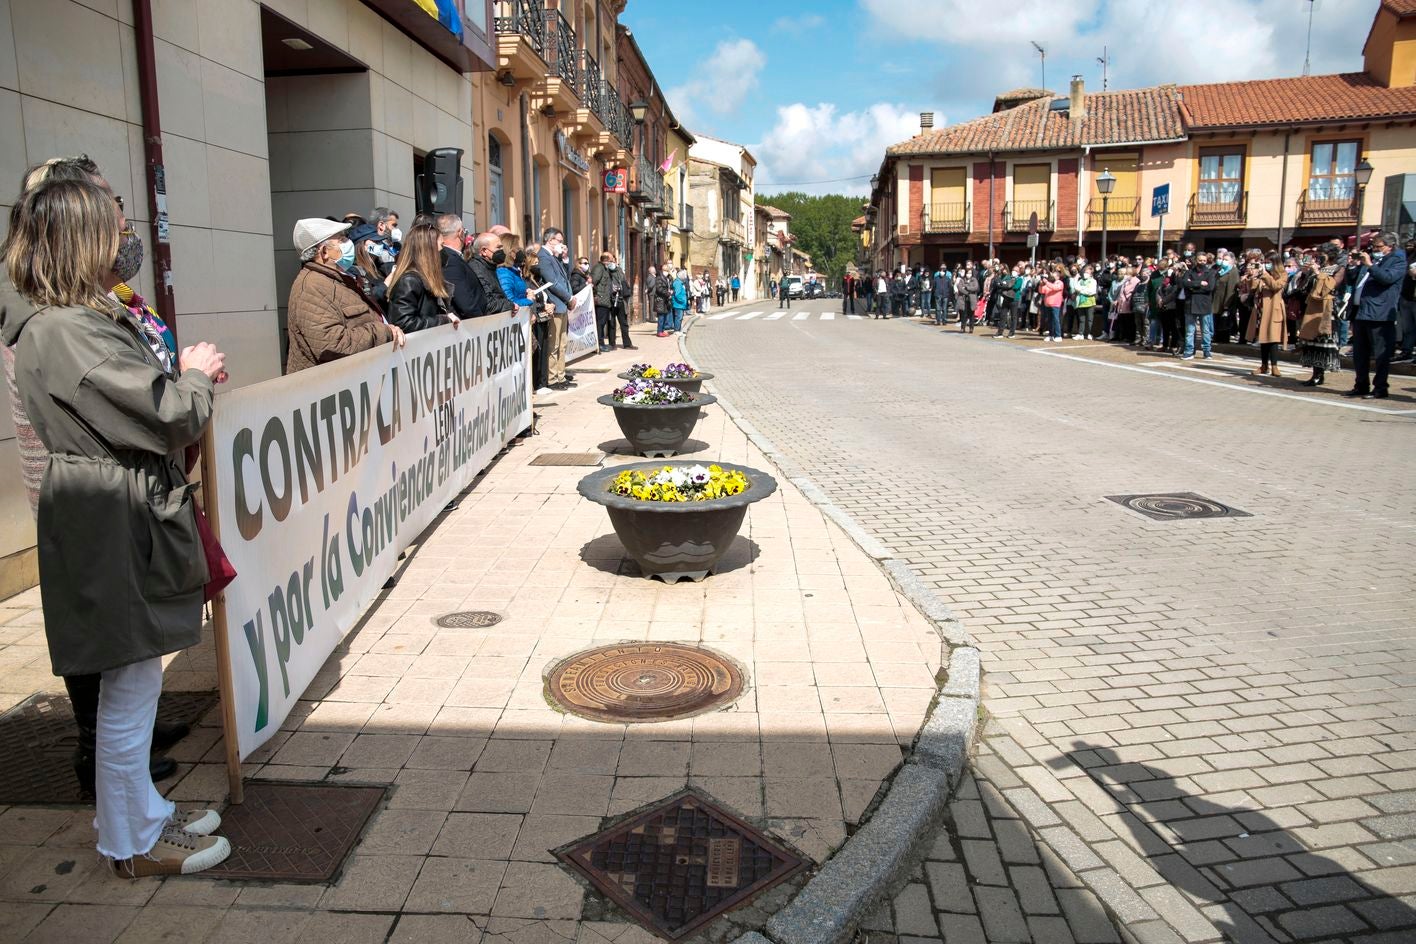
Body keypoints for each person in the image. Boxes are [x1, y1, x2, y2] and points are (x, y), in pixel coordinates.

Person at [6, 177, 232, 877]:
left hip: (111, 505)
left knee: (131, 685)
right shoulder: (68, 329)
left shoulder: (70, 320)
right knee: (130, 689)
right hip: (112, 513)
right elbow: (165, 412)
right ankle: (131, 842)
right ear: (83, 239)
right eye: (115, 223)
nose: (126, 234)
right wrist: (193, 377)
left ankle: (137, 816)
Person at [285, 218, 406, 372]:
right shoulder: (310, 288)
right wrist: (384, 332)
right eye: (341, 239)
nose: (348, 243)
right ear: (323, 252)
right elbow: (333, 345)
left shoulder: (338, 278)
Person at [1345, 232, 1408, 399]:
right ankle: (1361, 385)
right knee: (1360, 353)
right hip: (1361, 312)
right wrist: (1352, 265)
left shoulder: (1398, 260)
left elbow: (1387, 278)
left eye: (1379, 247)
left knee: (1381, 354)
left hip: (1380, 313)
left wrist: (1370, 265)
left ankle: (1380, 387)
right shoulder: (1373, 260)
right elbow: (1352, 280)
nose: (1375, 250)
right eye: (1374, 246)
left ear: (1390, 246)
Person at [387, 224, 457, 334]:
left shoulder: (427, 279)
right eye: (442, 245)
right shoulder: (410, 281)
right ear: (429, 249)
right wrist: (443, 320)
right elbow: (404, 323)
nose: (445, 251)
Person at [498, 248, 550, 393]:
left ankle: (533, 388)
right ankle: (534, 386)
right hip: (518, 319)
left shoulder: (520, 275)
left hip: (526, 317)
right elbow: (510, 298)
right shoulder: (505, 273)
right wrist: (528, 301)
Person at [537, 228, 574, 388]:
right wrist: (569, 297)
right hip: (555, 303)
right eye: (559, 241)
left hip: (562, 305)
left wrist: (564, 259)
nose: (562, 244)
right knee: (554, 344)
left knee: (562, 342)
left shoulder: (554, 257)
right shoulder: (544, 256)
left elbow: (564, 277)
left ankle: (561, 375)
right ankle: (552, 378)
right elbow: (552, 282)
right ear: (550, 240)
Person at [1297, 252, 1341, 387]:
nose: (1317, 259)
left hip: (1326, 310)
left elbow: (1327, 288)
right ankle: (1315, 373)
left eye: (1322, 256)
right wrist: (1305, 273)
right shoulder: (1316, 269)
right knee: (1312, 343)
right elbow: (1303, 288)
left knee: (1323, 343)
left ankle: (1320, 374)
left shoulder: (1337, 269)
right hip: (1312, 309)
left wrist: (1317, 273)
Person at [433, 214, 488, 318]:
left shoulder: (453, 257)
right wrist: (482, 322)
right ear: (460, 233)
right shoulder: (449, 259)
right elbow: (465, 302)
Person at [1244, 251, 1287, 377]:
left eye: (1268, 263)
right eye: (1264, 263)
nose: (1266, 265)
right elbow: (1253, 288)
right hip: (1261, 309)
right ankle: (1264, 365)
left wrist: (1264, 274)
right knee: (1263, 337)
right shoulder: (1262, 275)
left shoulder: (1282, 274)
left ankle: (1274, 366)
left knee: (1273, 338)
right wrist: (1252, 276)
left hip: (1274, 309)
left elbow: (1275, 286)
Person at [466, 232, 516, 315]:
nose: (502, 251)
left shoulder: (490, 266)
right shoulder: (477, 269)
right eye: (498, 247)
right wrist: (511, 305)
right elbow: (488, 304)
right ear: (484, 251)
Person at [591, 252, 631, 348]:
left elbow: (623, 280)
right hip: (610, 300)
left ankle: (627, 344)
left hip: (620, 299)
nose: (611, 262)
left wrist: (616, 270)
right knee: (611, 323)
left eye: (613, 260)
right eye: (610, 260)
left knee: (624, 323)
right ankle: (611, 343)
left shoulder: (618, 270)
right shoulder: (603, 269)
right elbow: (595, 282)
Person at [1179, 255, 1216, 360]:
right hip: (1190, 304)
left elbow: (1210, 287)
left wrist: (1193, 287)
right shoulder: (1189, 272)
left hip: (1205, 304)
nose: (1202, 262)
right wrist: (1200, 283)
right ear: (1196, 261)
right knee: (1190, 330)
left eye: (1204, 260)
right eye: (1200, 260)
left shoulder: (1211, 273)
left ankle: (1207, 351)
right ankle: (1189, 351)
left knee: (1206, 330)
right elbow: (1185, 283)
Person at [1069, 265, 1098, 339]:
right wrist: (1083, 289)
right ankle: (1080, 333)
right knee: (1082, 319)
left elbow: (1091, 291)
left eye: (1088, 272)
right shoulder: (1080, 280)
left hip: (1090, 302)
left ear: (1091, 274)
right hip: (1080, 302)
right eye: (1085, 272)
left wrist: (1081, 290)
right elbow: (1076, 288)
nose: (1086, 273)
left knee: (1089, 319)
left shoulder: (1093, 281)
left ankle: (1089, 333)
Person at [648, 265, 673, 337]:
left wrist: (671, 291)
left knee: (665, 316)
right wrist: (668, 293)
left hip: (666, 300)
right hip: (661, 300)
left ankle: (662, 330)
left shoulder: (668, 278)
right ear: (662, 271)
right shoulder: (659, 278)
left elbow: (670, 286)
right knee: (661, 317)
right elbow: (659, 289)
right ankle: (659, 331)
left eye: (668, 271)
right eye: (666, 271)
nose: (667, 272)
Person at [671, 269, 690, 334]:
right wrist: (683, 300)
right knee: (678, 317)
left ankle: (678, 330)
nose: (685, 277)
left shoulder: (679, 282)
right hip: (678, 304)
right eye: (685, 275)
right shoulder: (678, 283)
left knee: (679, 317)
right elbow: (677, 294)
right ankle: (677, 330)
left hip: (679, 304)